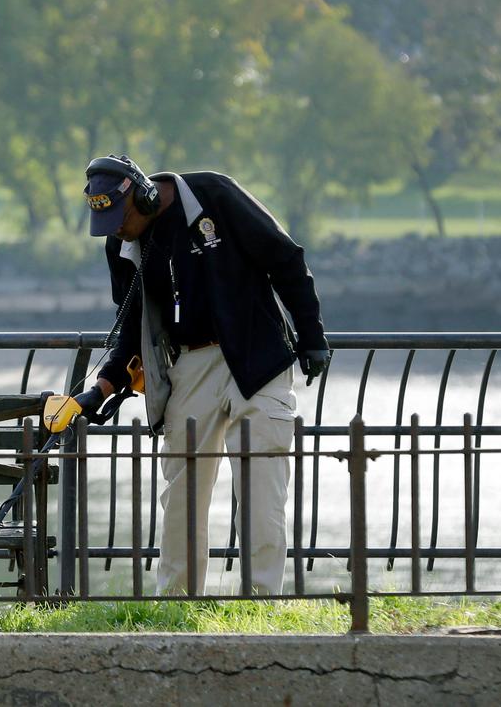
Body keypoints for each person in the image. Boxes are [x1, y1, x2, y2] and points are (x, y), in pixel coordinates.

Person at [76, 154, 330, 595]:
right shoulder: (122, 246)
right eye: (107, 222)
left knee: (261, 491)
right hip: (189, 365)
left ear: (146, 195)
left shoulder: (215, 194)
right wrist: (100, 390)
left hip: (259, 355)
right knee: (182, 495)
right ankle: (174, 603)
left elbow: (285, 259)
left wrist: (312, 337)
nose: (116, 228)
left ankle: (261, 602)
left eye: (122, 216)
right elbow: (133, 326)